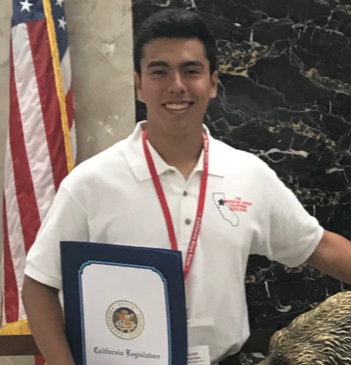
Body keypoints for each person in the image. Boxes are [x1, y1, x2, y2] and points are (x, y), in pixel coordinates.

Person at [22, 8, 351, 365]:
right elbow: (39, 285)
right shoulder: (91, 183)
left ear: (212, 82)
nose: (176, 85)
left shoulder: (249, 175)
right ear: (139, 83)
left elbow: (320, 246)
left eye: (191, 71)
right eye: (159, 71)